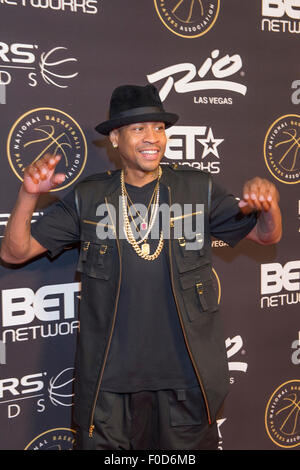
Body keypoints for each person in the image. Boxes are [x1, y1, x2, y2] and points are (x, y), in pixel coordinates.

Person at [0, 84, 282, 450]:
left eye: (159, 128)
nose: (153, 138)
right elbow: (14, 253)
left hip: (186, 384)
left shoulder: (198, 188)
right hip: (107, 389)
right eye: (139, 129)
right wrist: (28, 195)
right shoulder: (90, 197)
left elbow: (265, 236)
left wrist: (270, 205)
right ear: (115, 139)